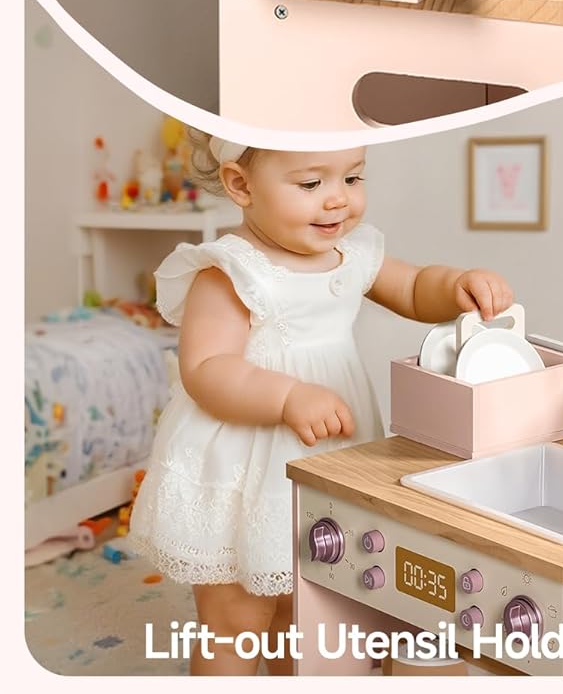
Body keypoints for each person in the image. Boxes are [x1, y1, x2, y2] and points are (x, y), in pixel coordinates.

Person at [129, 138, 512, 674]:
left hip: (327, 455)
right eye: (311, 184)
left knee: (311, 610)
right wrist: (286, 396)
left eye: (353, 179)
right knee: (236, 618)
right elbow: (206, 368)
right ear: (241, 185)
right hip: (246, 463)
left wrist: (457, 285)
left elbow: (415, 288)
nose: (338, 200)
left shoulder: (351, 254)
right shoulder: (231, 269)